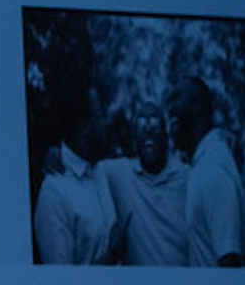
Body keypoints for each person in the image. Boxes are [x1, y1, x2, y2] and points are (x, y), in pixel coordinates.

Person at [165, 75, 245, 268]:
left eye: (177, 98)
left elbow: (231, 262)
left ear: (199, 107)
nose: (169, 105)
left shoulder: (212, 168)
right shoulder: (203, 163)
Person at [97, 103, 189, 266]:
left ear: (166, 135)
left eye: (155, 125)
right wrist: (58, 153)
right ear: (134, 139)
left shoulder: (187, 176)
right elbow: (82, 162)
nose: (148, 130)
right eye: (141, 125)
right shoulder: (117, 173)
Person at [33, 118, 130, 264]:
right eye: (99, 118)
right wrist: (110, 256)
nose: (106, 123)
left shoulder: (102, 170)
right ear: (84, 127)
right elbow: (61, 282)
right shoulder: (53, 192)